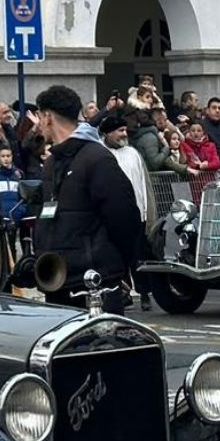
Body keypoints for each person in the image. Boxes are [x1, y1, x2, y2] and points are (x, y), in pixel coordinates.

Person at [33, 86, 140, 312]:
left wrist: (112, 266)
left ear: (48, 117)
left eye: (39, 117)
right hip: (59, 282)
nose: (38, 125)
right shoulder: (53, 163)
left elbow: (124, 219)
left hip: (94, 287)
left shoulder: (98, 158)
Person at [99, 115, 157, 310]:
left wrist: (148, 214)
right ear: (108, 133)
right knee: (117, 258)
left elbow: (143, 183)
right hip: (112, 216)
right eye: (119, 131)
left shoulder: (133, 153)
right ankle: (122, 293)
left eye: (125, 130)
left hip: (136, 214)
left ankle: (145, 293)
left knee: (138, 256)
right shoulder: (100, 153)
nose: (124, 134)